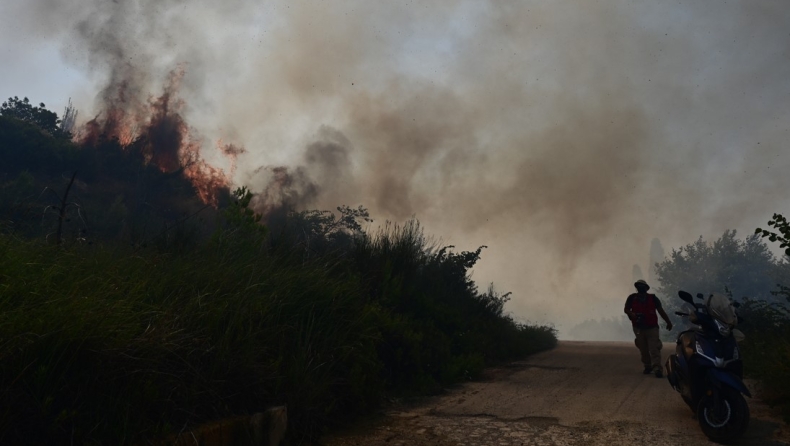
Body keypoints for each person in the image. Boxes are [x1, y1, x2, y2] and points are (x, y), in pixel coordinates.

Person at [624, 280, 673, 377]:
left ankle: (657, 368)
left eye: (642, 286)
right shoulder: (632, 298)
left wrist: (668, 322)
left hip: (652, 327)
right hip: (638, 327)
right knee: (643, 349)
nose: (640, 288)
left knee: (654, 348)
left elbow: (660, 311)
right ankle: (647, 366)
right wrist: (632, 314)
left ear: (646, 288)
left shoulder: (653, 298)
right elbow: (626, 309)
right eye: (639, 286)